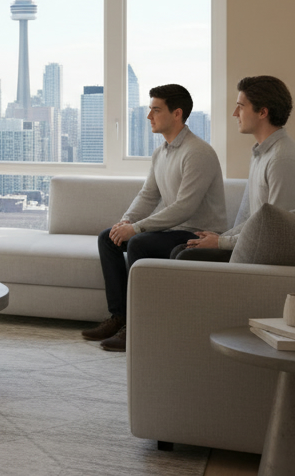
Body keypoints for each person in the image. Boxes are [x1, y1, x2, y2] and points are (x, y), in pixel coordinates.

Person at [82, 84, 227, 352]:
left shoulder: (198, 152)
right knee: (108, 238)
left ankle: (139, 327)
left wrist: (136, 229)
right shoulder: (161, 152)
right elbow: (148, 195)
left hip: (197, 233)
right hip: (172, 229)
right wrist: (124, 224)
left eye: (156, 110)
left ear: (177, 114)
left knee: (140, 243)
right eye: (150, 110)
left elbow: (184, 207)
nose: (149, 117)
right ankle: (121, 317)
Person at [173, 76, 295, 262]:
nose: (235, 113)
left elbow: (276, 232)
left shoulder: (283, 160)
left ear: (262, 112)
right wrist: (221, 239)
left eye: (241, 106)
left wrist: (221, 243)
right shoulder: (262, 154)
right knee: (181, 249)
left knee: (186, 257)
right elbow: (253, 220)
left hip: (273, 257)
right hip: (257, 245)